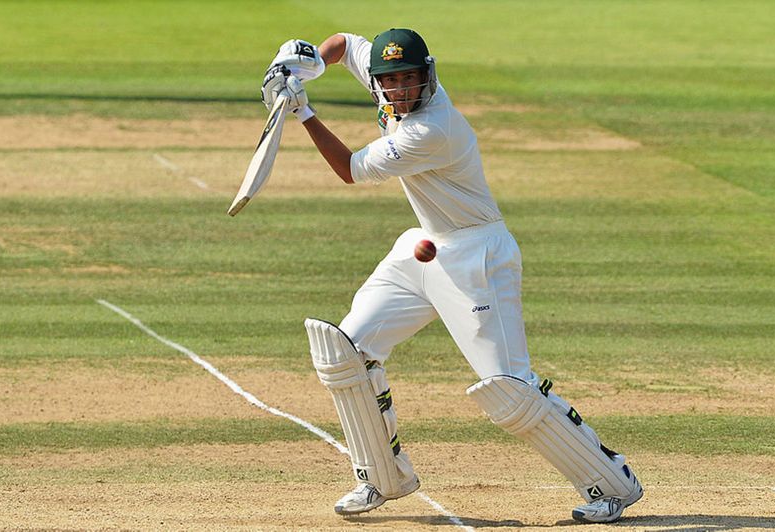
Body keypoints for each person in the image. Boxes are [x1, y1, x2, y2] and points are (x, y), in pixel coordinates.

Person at [259, 29, 643, 524]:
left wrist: (302, 111)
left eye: (409, 79)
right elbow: (342, 42)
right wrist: (302, 61)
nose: (399, 90)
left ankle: (612, 483)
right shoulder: (386, 84)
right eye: (389, 80)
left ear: (428, 76)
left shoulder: (432, 128)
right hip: (426, 246)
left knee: (508, 389)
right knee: (346, 352)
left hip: (478, 256)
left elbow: (350, 170)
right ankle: (382, 477)